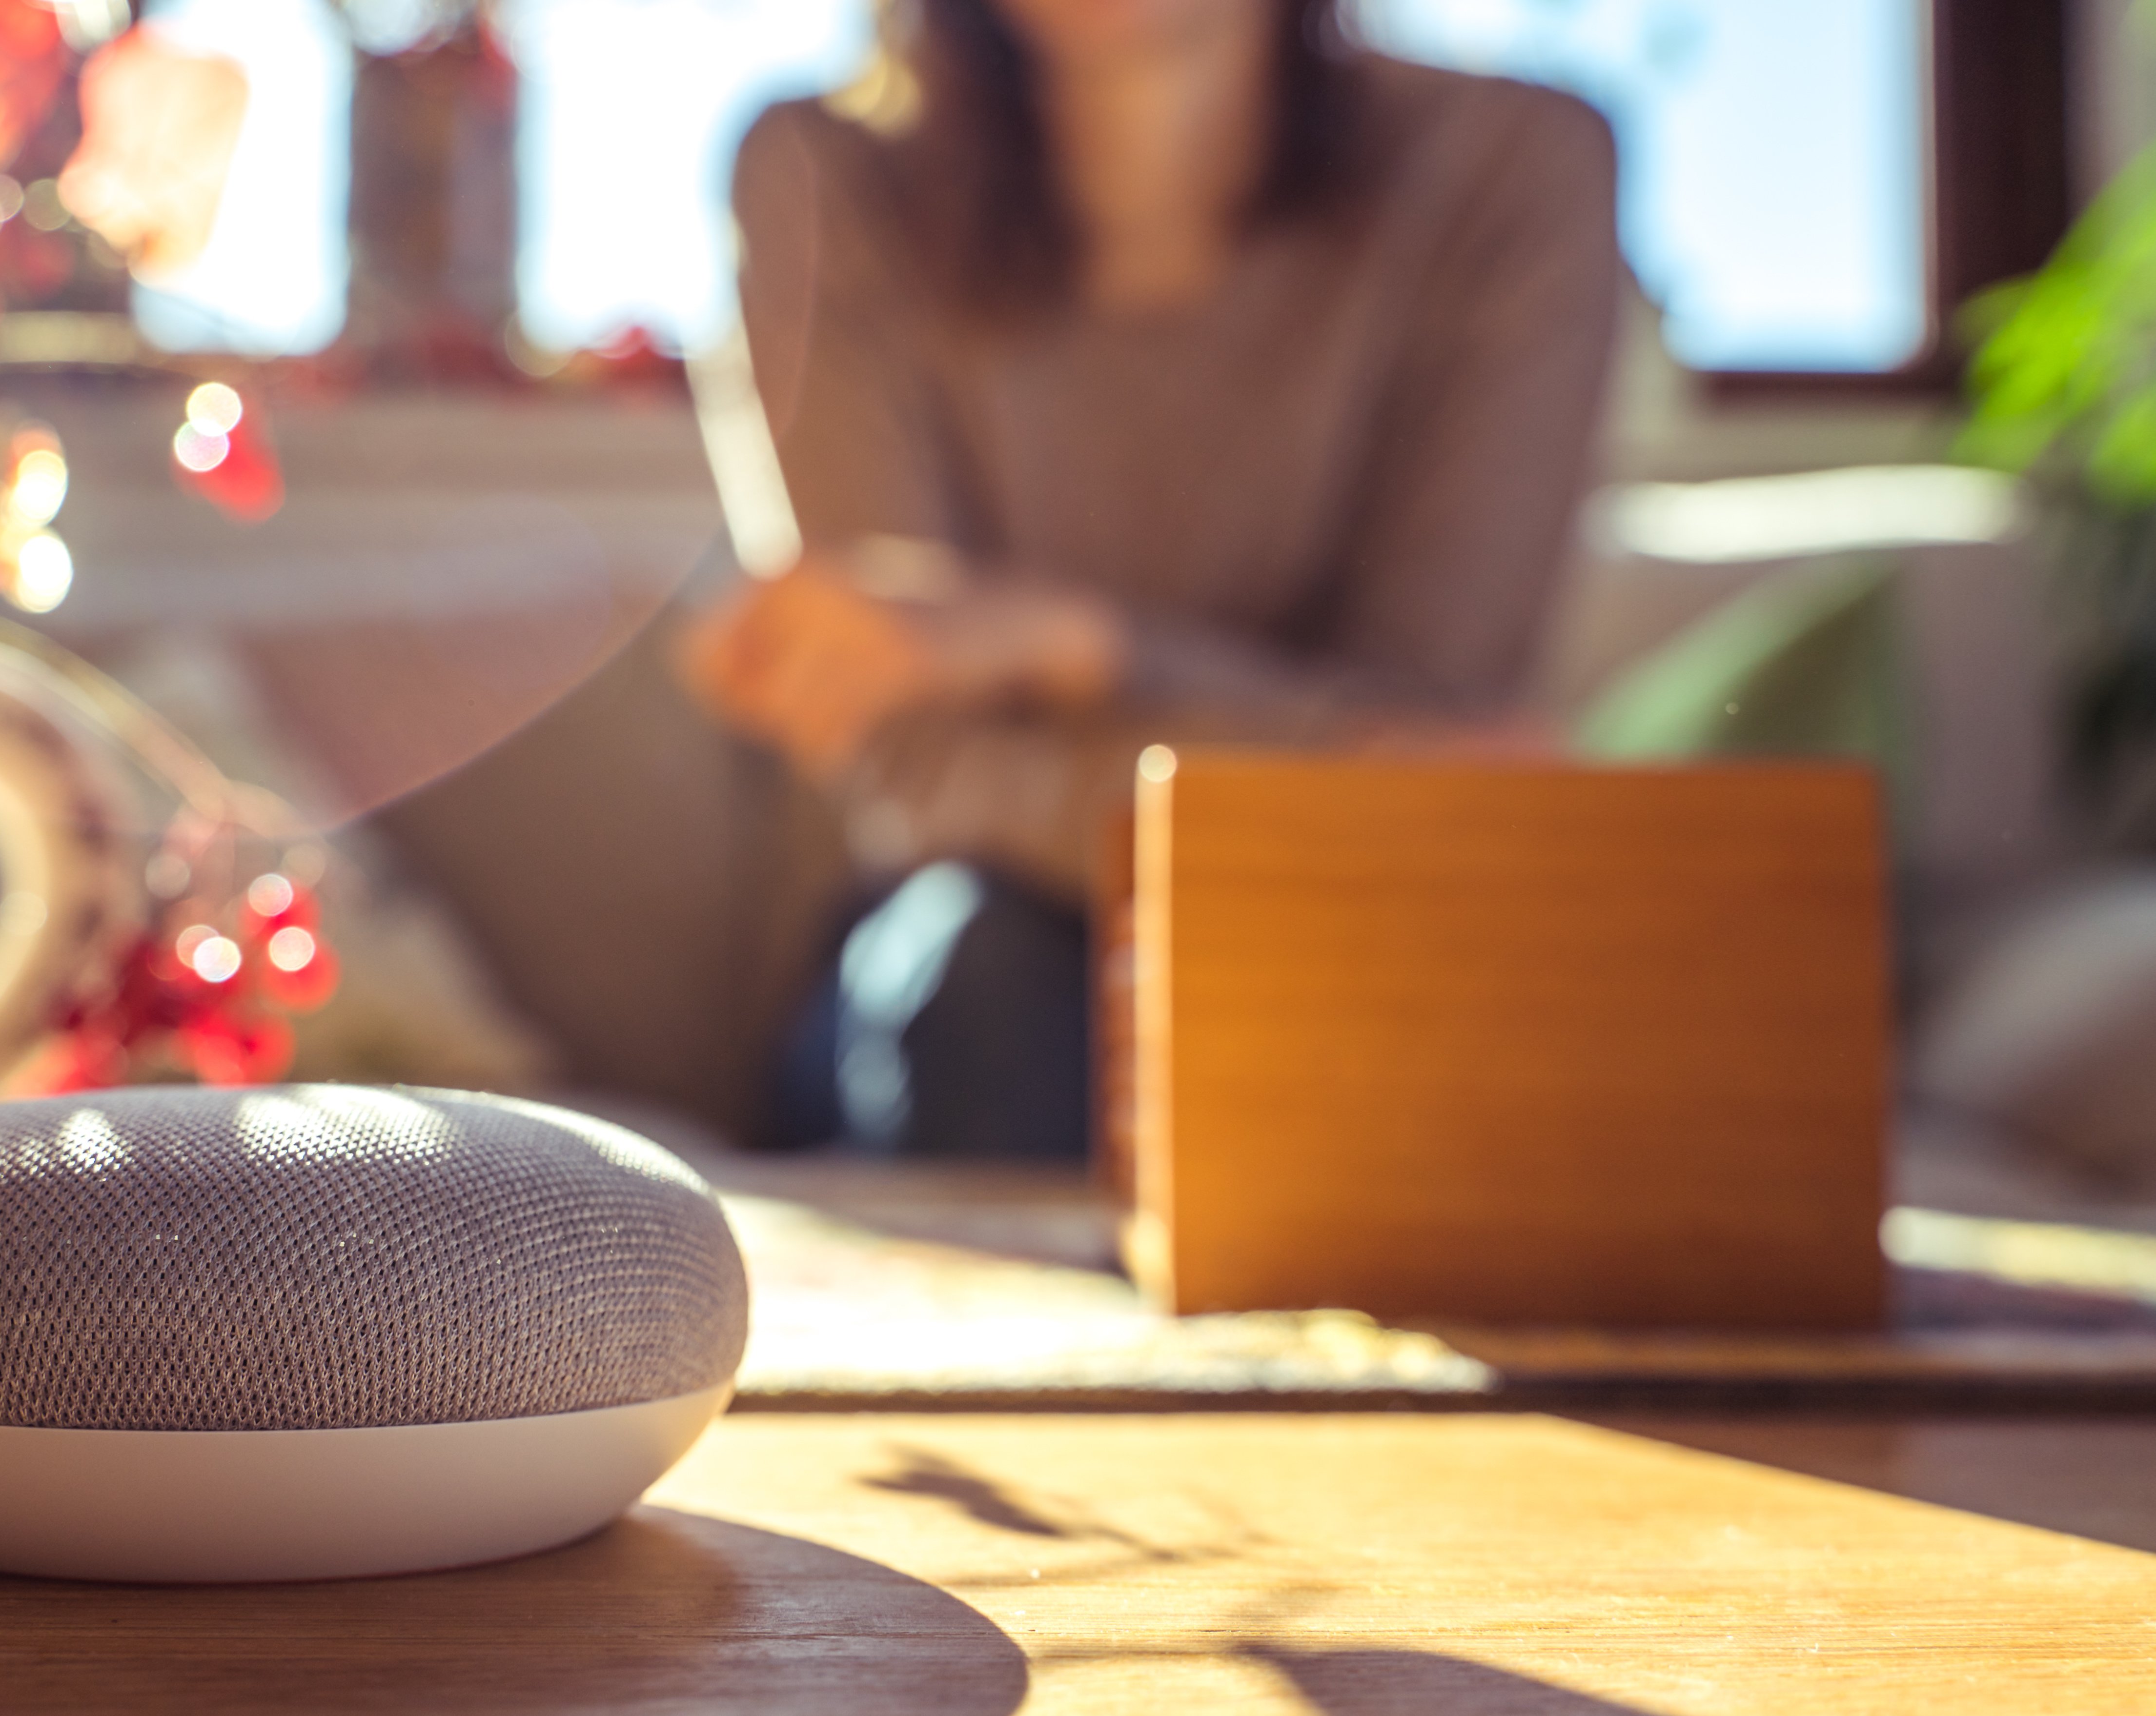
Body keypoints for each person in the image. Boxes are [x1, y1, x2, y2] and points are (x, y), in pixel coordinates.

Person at [685, 0, 1621, 1156]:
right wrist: (1332, 747)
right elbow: (912, 758)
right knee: (997, 983)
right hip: (975, 958)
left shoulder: (1510, 174)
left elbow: (1442, 771)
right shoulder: (823, 176)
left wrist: (1063, 643)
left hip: (1358, 943)